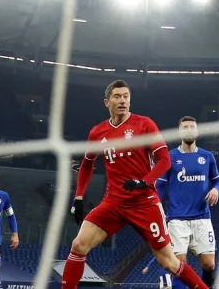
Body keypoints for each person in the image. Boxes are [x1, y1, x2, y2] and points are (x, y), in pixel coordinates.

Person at [65, 80, 209, 289]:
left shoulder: (144, 125)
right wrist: (78, 197)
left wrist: (145, 182)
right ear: (107, 102)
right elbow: (87, 164)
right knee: (79, 245)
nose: (123, 100)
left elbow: (165, 161)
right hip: (113, 202)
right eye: (117, 96)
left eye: (126, 96)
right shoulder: (97, 132)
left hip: (144, 203)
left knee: (167, 261)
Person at [158, 116, 219, 288]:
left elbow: (218, 181)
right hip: (177, 219)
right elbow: (160, 188)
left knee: (209, 264)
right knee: (179, 266)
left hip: (202, 218)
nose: (188, 130)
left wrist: (216, 189)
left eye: (191, 127)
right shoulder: (170, 157)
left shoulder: (207, 157)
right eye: (185, 127)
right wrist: (156, 210)